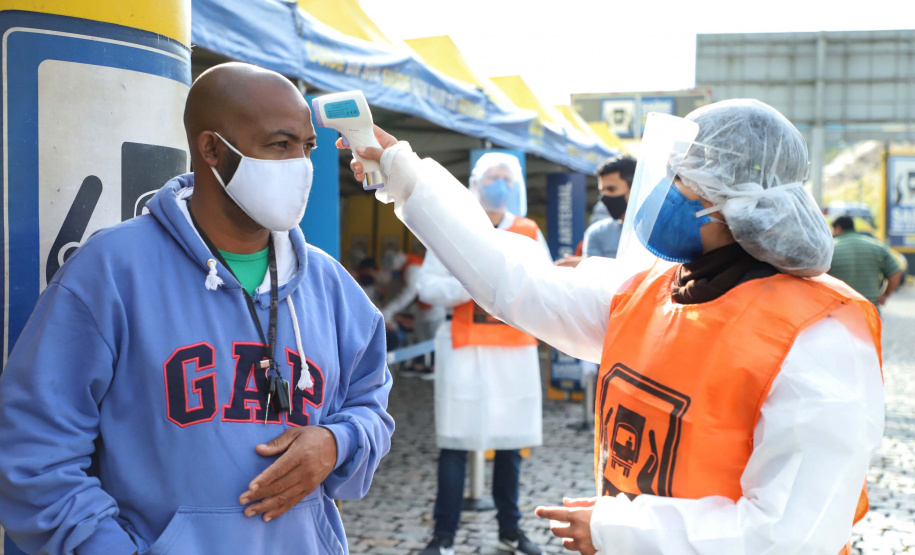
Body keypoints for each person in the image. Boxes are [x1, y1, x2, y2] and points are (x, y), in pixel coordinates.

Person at [342, 99, 884, 554]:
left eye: (681, 177)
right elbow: (514, 283)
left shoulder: (819, 339)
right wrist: (404, 174)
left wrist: (620, 530)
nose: (663, 191)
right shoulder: (651, 290)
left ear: (732, 200)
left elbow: (790, 537)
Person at [0, 63, 394, 554]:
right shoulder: (112, 272)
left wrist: (339, 442)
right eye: (280, 144)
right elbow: (36, 451)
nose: (300, 163)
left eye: (306, 147)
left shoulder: (331, 286)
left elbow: (372, 405)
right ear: (212, 149)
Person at [415, 153, 550, 555]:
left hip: (513, 353)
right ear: (476, 182)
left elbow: (545, 287)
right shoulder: (453, 228)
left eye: (508, 178)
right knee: (455, 443)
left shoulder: (527, 231)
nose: (501, 184)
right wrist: (475, 284)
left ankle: (510, 530)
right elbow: (427, 287)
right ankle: (443, 536)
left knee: (511, 446)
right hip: (464, 350)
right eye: (493, 176)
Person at [555, 155, 635, 268]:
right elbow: (594, 280)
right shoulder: (598, 233)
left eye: (612, 189)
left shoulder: (655, 231)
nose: (605, 197)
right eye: (603, 191)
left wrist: (593, 266)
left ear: (634, 189)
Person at [829, 215, 903, 308]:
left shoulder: (830, 249)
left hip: (839, 310)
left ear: (838, 228)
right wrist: (885, 295)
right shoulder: (877, 246)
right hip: (869, 310)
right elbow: (896, 272)